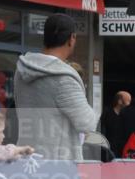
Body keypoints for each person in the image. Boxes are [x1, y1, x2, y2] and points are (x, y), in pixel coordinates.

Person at [13, 13, 97, 161]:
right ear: (72, 39)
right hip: (58, 165)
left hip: (26, 159)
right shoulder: (63, 78)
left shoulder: (21, 71)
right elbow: (87, 123)